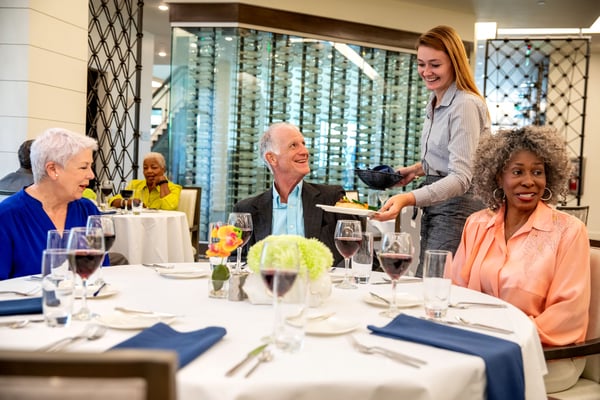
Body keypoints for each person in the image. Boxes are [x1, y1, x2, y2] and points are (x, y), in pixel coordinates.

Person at [445, 125, 590, 393]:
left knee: (457, 383)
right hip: (478, 345)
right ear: (498, 177)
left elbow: (568, 314)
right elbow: (454, 290)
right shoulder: (477, 224)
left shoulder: (569, 231)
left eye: (537, 172)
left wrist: (507, 339)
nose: (529, 181)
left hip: (544, 355)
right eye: (517, 172)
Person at [372, 25, 490, 277]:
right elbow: (448, 157)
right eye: (421, 64)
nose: (426, 72)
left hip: (457, 207)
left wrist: (408, 198)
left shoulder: (464, 105)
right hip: (439, 204)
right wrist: (416, 170)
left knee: (434, 282)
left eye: (435, 65)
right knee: (427, 279)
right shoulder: (436, 100)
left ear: (454, 64)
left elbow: (461, 177)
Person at [234, 122, 352, 268]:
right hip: (268, 282)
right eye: (293, 145)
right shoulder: (246, 210)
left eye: (303, 144)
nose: (305, 151)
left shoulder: (332, 198)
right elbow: (235, 261)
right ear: (272, 158)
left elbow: (359, 255)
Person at [0, 128, 103, 280]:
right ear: (52, 169)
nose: (91, 175)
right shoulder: (6, 216)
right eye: (83, 167)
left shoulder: (88, 210)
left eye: (90, 167)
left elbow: (101, 272)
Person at [110, 152, 181, 210]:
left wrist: (163, 182)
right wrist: (128, 202)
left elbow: (169, 207)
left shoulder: (174, 188)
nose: (149, 171)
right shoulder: (134, 184)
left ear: (163, 170)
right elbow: (112, 201)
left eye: (154, 167)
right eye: (145, 168)